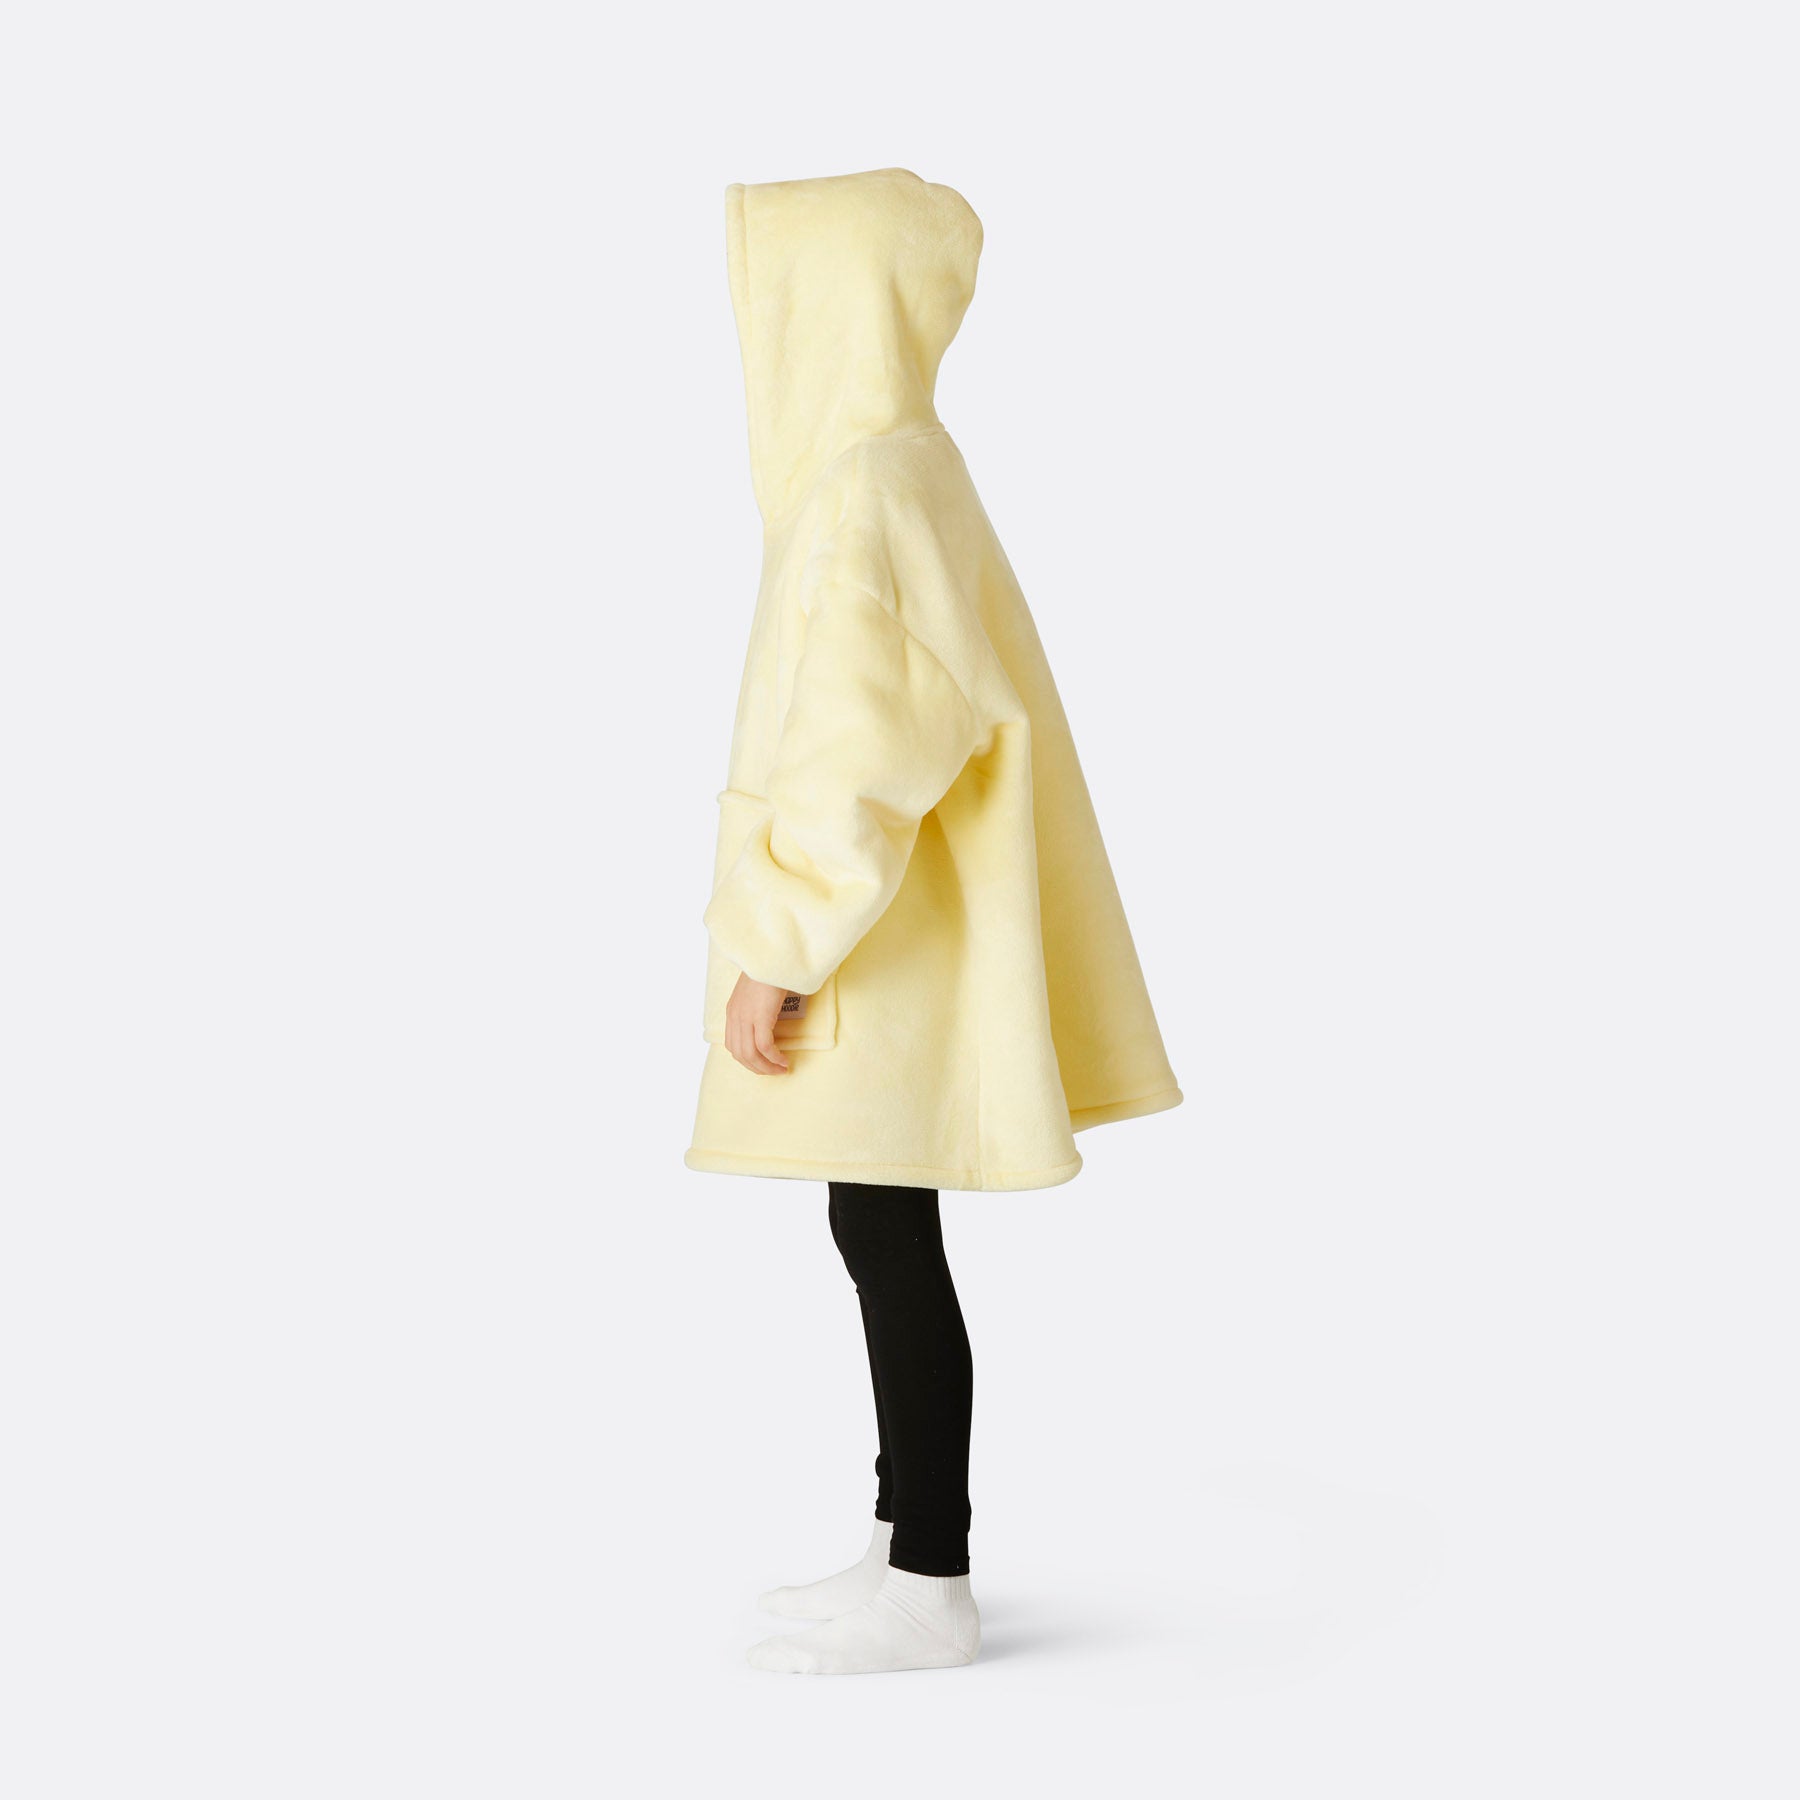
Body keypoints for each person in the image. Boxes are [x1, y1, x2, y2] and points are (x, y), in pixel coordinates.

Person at [687, 168, 1181, 1675]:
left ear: (829, 302)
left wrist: (781, 942)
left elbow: (861, 749)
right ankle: (904, 1533)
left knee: (889, 1237)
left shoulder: (866, 491)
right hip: (908, 931)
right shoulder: (903, 467)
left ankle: (931, 1581)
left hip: (883, 940)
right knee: (878, 1224)